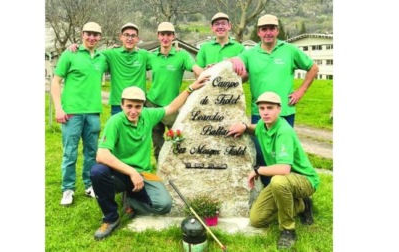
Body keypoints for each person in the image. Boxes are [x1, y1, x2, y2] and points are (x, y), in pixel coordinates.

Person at [90, 75, 209, 240]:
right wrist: (131, 172)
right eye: (129, 106)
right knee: (98, 172)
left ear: (143, 106)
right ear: (122, 104)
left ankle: (130, 200)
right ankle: (111, 218)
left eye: (137, 106)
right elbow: (101, 155)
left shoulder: (147, 115)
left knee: (164, 205)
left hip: (143, 174)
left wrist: (190, 88)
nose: (133, 111)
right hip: (120, 172)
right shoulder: (114, 122)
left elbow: (171, 108)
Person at [230, 14, 319, 187]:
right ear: (258, 32)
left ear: (277, 30)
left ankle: (287, 191)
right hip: (260, 115)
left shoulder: (289, 50)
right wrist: (233, 59)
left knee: (283, 157)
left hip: (285, 113)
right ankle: (266, 194)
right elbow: (235, 64)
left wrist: (300, 91)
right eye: (264, 29)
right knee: (262, 156)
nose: (268, 32)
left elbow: (313, 67)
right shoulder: (250, 53)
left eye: (272, 28)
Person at [226, 91, 320, 250]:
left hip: (304, 179)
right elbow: (255, 128)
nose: (265, 112)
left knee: (277, 181)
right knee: (256, 220)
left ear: (279, 109)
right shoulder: (263, 125)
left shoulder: (284, 131)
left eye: (270, 108)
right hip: (284, 181)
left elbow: (284, 169)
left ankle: (288, 230)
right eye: (262, 108)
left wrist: (257, 170)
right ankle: (302, 205)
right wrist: (244, 126)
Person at [51, 22, 108, 206]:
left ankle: (90, 185)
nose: (92, 38)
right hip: (72, 113)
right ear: (82, 34)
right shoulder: (70, 53)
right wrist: (59, 108)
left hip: (93, 113)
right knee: (70, 153)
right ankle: (68, 189)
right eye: (88, 34)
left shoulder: (102, 58)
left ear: (100, 37)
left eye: (96, 35)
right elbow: (56, 81)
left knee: (91, 152)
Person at [146, 22, 203, 162]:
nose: (165, 37)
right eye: (162, 34)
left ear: (173, 36)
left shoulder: (182, 55)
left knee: (178, 140)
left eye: (168, 34)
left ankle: (178, 168)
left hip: (173, 105)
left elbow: (196, 68)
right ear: (158, 36)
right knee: (157, 142)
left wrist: (204, 74)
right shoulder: (151, 56)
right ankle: (160, 170)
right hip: (152, 104)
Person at [68, 22, 151, 115]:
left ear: (137, 39)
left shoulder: (144, 55)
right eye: (126, 35)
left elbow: (161, 61)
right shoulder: (111, 54)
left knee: (140, 129)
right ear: (121, 37)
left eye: (133, 36)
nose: (129, 38)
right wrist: (78, 46)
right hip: (118, 104)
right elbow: (91, 53)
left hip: (139, 103)